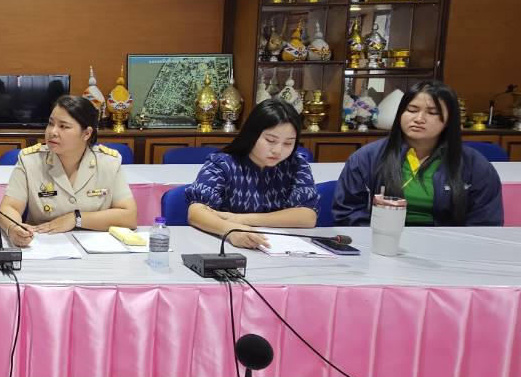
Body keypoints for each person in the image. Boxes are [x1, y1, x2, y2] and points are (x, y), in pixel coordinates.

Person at [333, 80, 503, 227]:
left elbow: (485, 223)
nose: (419, 119)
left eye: (432, 112)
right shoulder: (367, 158)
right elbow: (347, 212)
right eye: (412, 110)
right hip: (382, 243)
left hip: (448, 248)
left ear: (449, 120)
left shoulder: (475, 165)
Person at [0, 95, 136, 247]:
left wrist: (76, 219)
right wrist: (14, 228)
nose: (53, 132)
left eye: (63, 126)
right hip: (43, 246)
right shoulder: (30, 160)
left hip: (97, 247)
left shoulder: (108, 162)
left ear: (86, 133)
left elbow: (129, 216)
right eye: (51, 124)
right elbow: (9, 207)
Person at [184, 100, 320, 250]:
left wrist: (239, 219)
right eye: (270, 140)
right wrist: (230, 230)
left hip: (280, 249)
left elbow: (307, 216)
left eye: (288, 143)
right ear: (252, 134)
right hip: (228, 249)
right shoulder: (223, 164)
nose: (278, 150)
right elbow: (196, 212)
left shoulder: (297, 165)